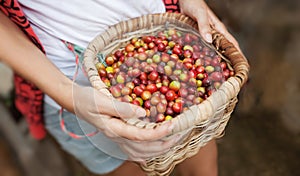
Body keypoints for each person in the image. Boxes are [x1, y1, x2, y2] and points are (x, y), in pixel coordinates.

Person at [0, 0, 243, 175]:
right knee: (129, 167)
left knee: (198, 151)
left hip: (166, 36)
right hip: (68, 78)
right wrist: (67, 94)